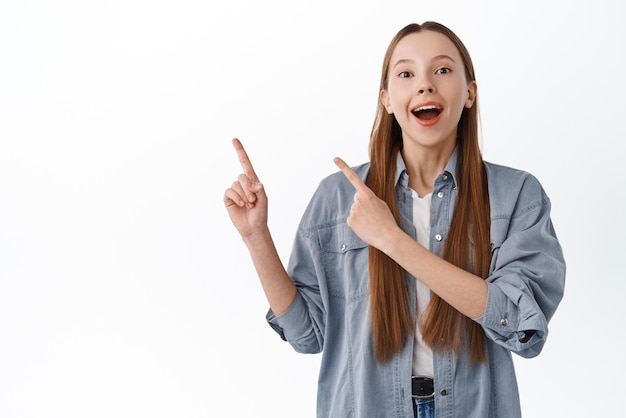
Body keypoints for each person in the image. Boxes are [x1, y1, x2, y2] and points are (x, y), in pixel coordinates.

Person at [223, 21, 565, 418]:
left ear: (470, 92)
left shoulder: (516, 195)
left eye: (442, 70)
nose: (424, 85)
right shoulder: (337, 198)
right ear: (386, 99)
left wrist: (391, 238)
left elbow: (519, 323)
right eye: (406, 74)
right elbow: (307, 335)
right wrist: (256, 236)